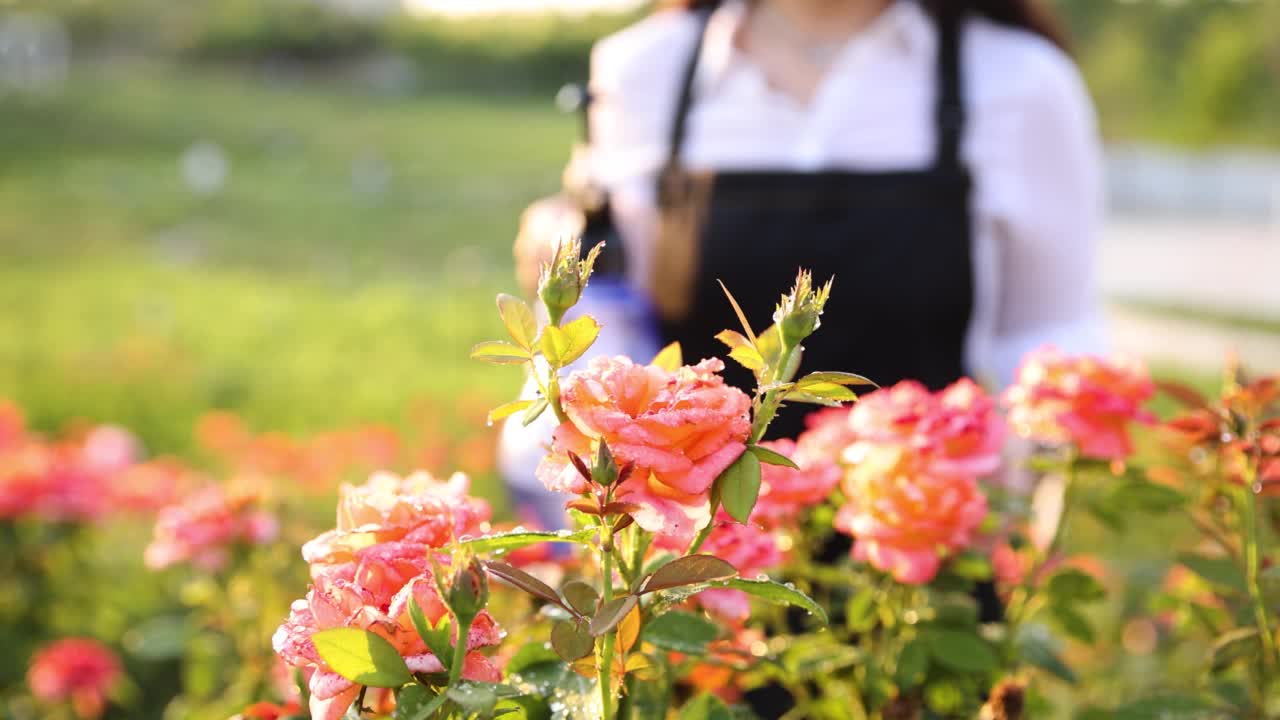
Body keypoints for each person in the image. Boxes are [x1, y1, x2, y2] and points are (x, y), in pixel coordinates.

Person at [511, 0, 1105, 441]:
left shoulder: (1021, 81)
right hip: (692, 561)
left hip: (924, 577)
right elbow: (614, 332)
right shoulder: (640, 71)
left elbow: (1047, 353)